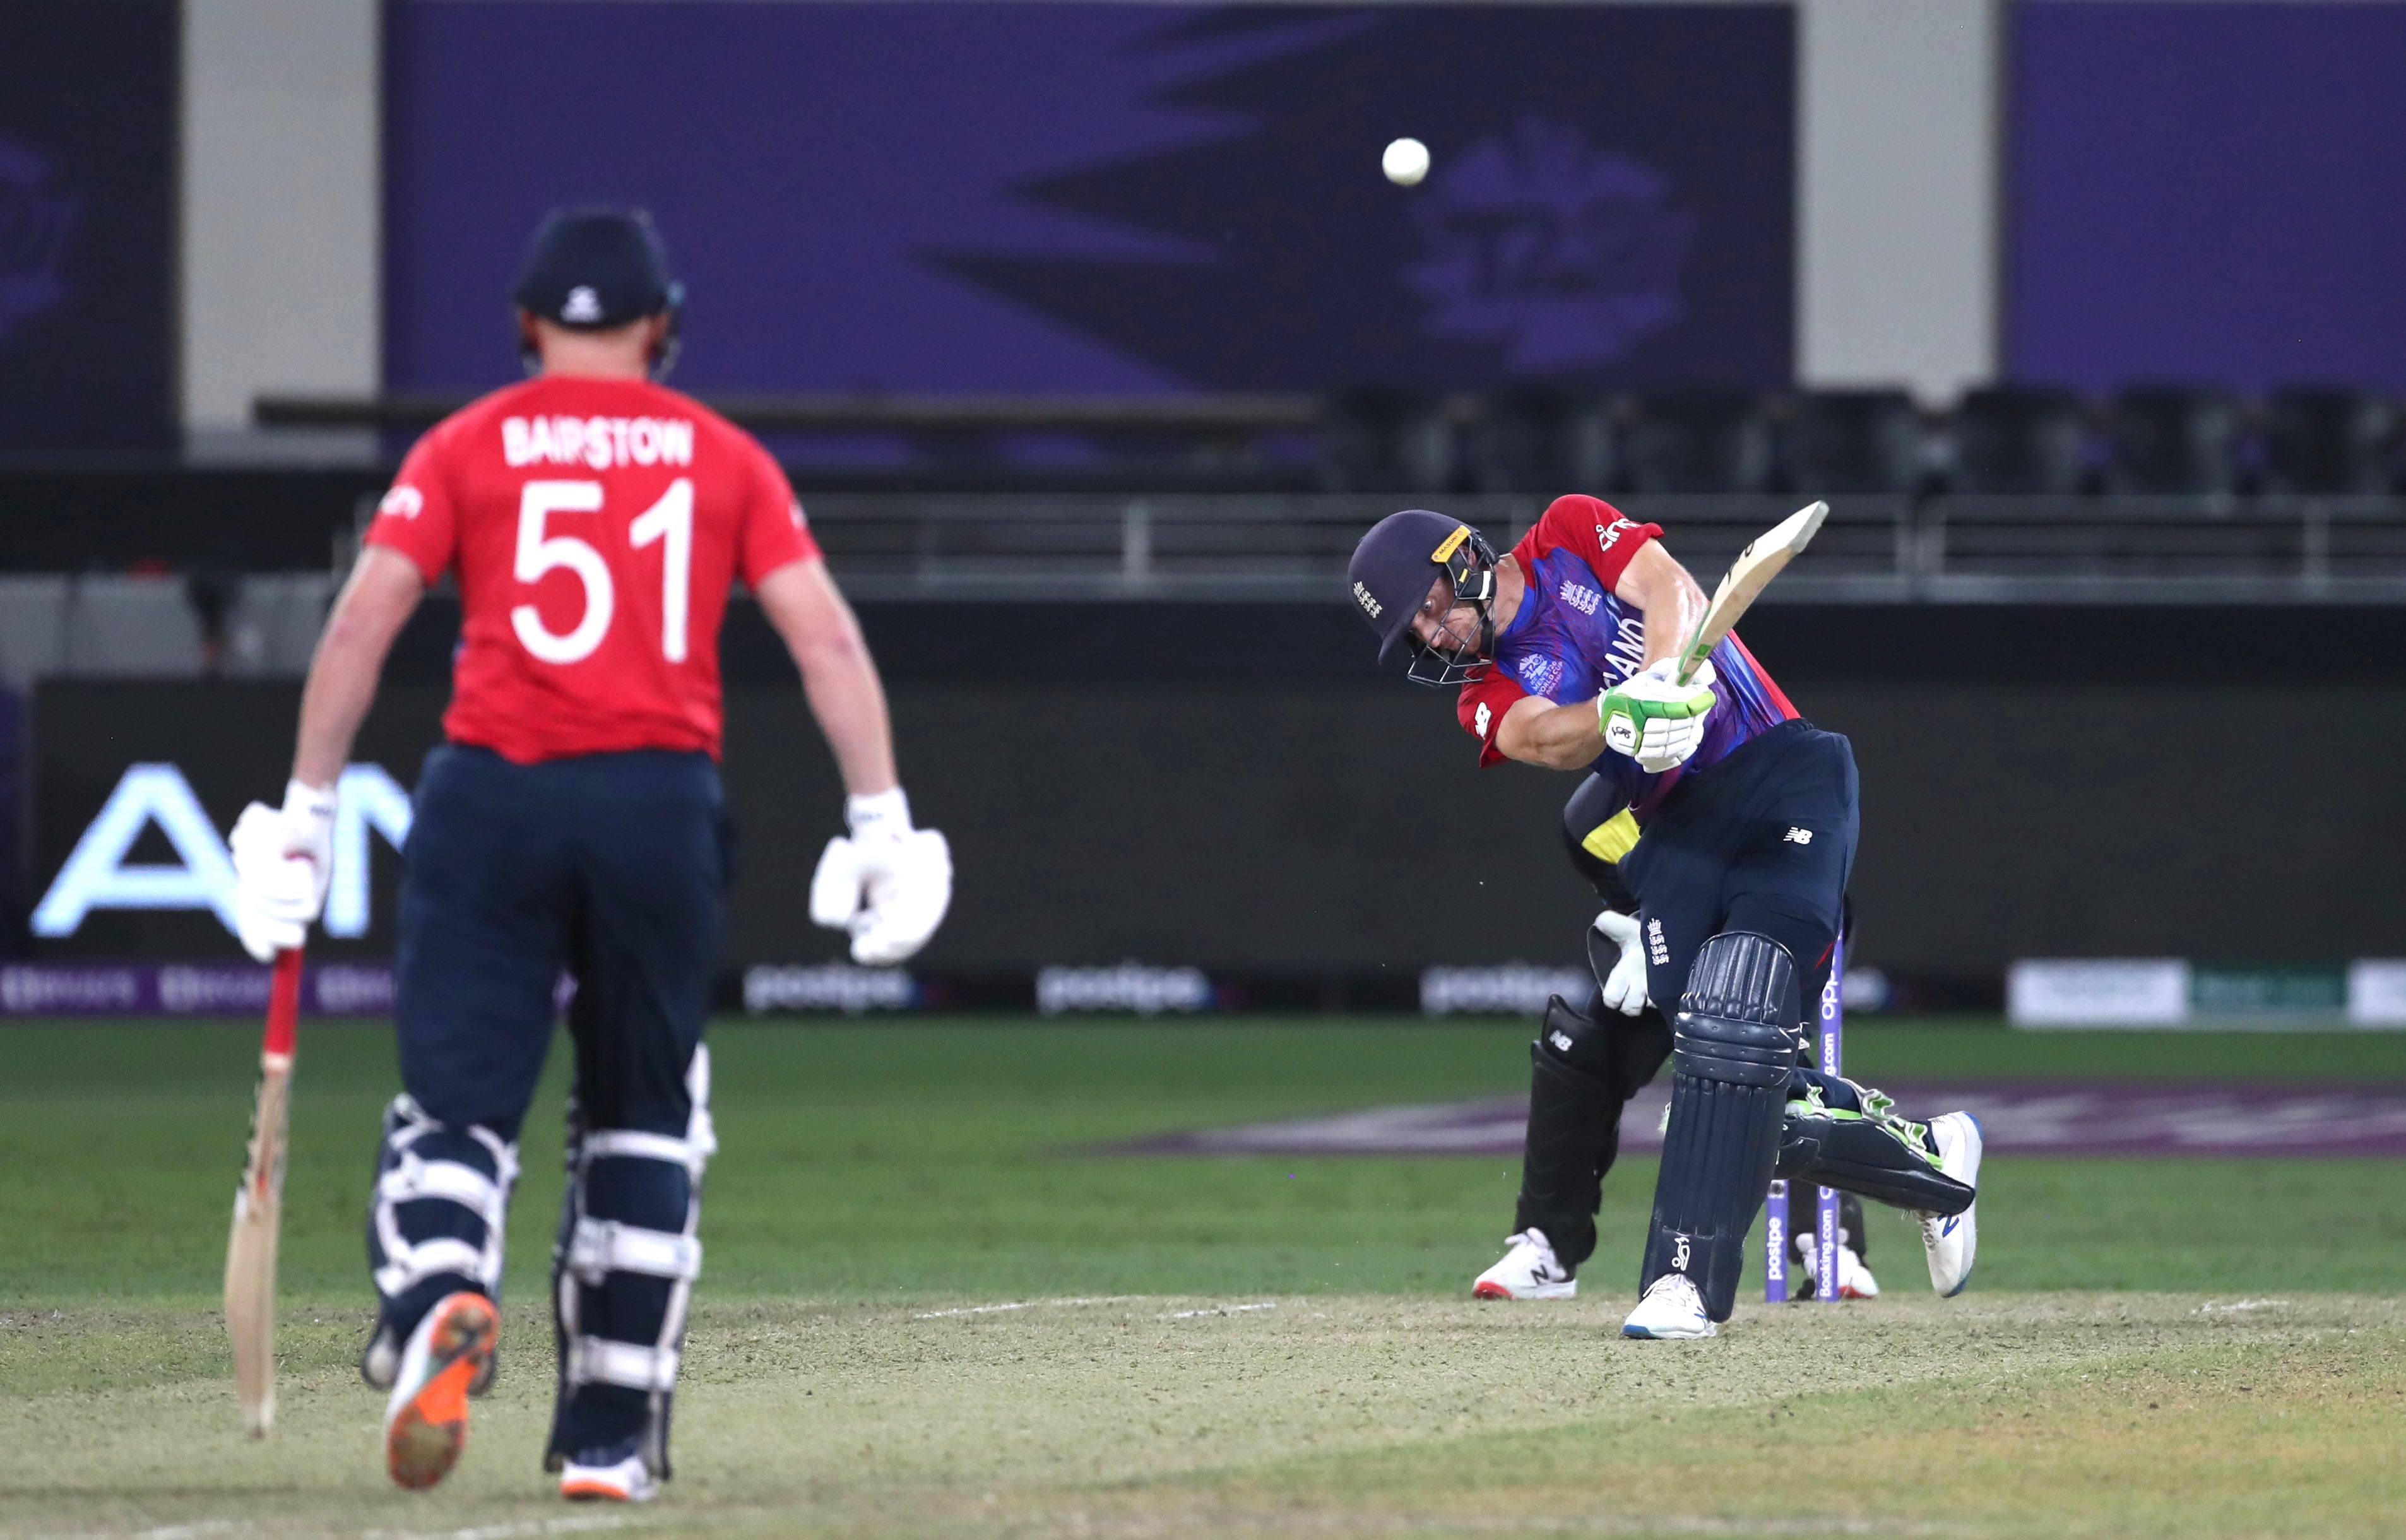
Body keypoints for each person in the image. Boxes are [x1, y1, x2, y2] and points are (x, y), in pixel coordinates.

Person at [227, 208, 952, 1499]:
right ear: (659, 325)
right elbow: (825, 639)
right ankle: (612, 1433)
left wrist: (307, 806)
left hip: (491, 793)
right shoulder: (720, 456)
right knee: (642, 1111)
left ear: (526, 323)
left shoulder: (466, 444)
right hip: (654, 804)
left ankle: (446, 1287)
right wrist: (879, 818)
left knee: (455, 1102)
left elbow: (363, 620)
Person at [1346, 496, 1980, 1339]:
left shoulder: (1567, 532)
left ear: (1459, 561)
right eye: (1414, 633)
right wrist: (1621, 717)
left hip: (1783, 771)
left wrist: (1663, 674)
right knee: (1731, 1079)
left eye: (1428, 609)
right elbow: (1542, 738)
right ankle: (1933, 1162)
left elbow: (1670, 588)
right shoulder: (1486, 693)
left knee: (1735, 1031)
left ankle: (1681, 1286)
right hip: (1679, 834)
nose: (1432, 636)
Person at [1469, 776, 1885, 1303]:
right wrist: (1652, 931)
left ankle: (1830, 1243)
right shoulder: (1593, 823)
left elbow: (1811, 868)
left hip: (1782, 918)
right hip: (1665, 933)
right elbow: (1630, 893)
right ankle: (1546, 1247)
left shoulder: (1755, 766)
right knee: (1582, 1050)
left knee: (1771, 1063)